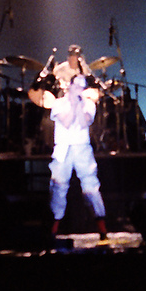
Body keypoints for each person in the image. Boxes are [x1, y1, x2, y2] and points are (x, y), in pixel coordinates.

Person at [46, 73, 108, 239]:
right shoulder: (58, 103)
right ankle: (53, 230)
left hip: (82, 148)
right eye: (77, 85)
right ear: (70, 86)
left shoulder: (89, 104)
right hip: (63, 148)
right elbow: (66, 123)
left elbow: (83, 122)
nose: (79, 89)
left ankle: (102, 229)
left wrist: (79, 104)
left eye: (82, 86)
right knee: (59, 186)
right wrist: (73, 104)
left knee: (91, 185)